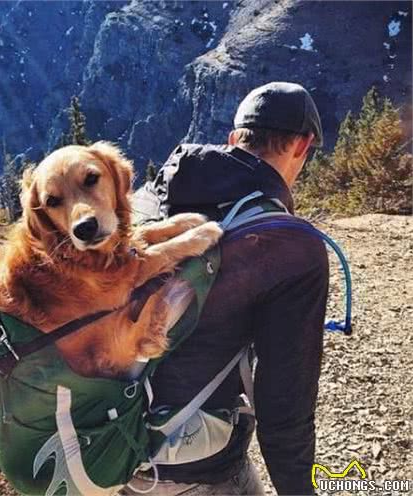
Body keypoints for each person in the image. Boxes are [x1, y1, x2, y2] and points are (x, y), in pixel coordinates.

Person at [130, 82, 329, 495]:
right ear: (303, 146)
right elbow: (284, 406)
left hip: (102, 444)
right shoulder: (291, 245)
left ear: (235, 139)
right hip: (193, 462)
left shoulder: (144, 201)